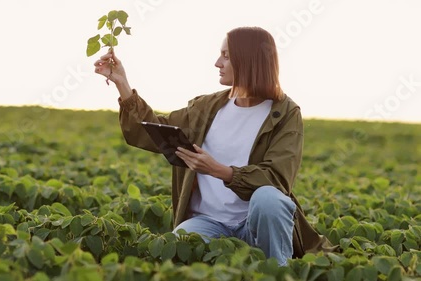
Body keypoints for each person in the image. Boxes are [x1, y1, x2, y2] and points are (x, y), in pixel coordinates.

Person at [93, 26, 335, 266]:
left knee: (269, 199)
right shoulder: (207, 107)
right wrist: (121, 83)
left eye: (226, 56)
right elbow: (150, 129)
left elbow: (277, 179)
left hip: (254, 224)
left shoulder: (284, 113)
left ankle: (277, 270)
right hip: (209, 224)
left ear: (249, 60)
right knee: (181, 239)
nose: (217, 63)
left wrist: (219, 170)